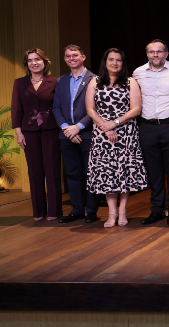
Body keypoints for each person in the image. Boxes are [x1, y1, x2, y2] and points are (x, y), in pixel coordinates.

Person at [85, 48, 148, 227]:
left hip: (125, 132)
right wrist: (106, 127)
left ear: (123, 63)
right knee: (107, 173)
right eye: (111, 59)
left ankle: (122, 211)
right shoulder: (94, 82)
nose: (114, 63)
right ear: (105, 62)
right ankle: (111, 213)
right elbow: (90, 109)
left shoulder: (130, 82)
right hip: (102, 133)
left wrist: (115, 123)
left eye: (118, 60)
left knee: (124, 172)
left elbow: (136, 109)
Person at [132, 39, 169, 226]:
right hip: (147, 127)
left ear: (166, 53)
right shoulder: (138, 73)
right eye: (151, 52)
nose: (155, 55)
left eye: (159, 51)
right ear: (147, 54)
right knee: (153, 171)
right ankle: (156, 209)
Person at [12, 48, 61, 221]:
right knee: (34, 171)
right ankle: (39, 212)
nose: (34, 63)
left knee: (52, 170)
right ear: (26, 64)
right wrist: (19, 133)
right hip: (29, 131)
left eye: (37, 59)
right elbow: (16, 110)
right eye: (30, 60)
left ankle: (55, 211)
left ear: (45, 62)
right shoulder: (19, 83)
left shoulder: (55, 82)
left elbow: (59, 107)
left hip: (51, 129)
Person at [53, 45, 99, 224]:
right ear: (65, 59)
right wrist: (67, 128)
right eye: (67, 56)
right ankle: (77, 210)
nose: (71, 58)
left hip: (88, 134)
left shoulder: (94, 79)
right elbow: (56, 107)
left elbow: (96, 109)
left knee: (90, 173)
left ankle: (91, 212)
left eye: (75, 55)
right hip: (66, 135)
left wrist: (78, 127)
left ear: (83, 57)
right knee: (72, 174)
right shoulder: (61, 81)